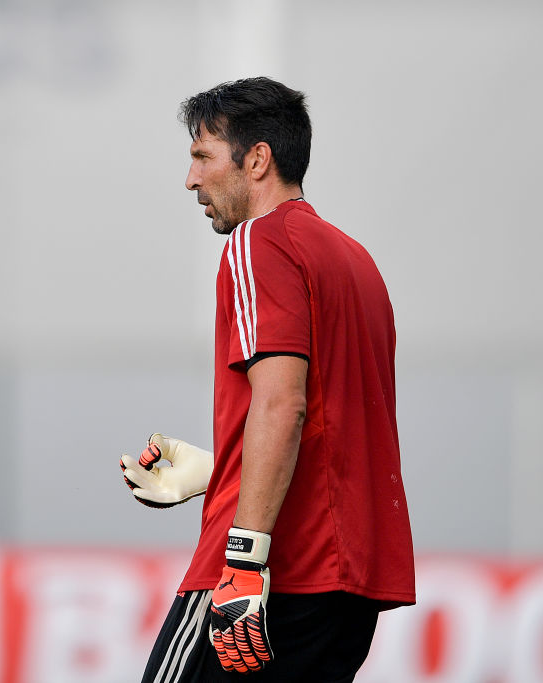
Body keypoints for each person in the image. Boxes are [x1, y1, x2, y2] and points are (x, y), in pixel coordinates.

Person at [121, 77, 415, 681]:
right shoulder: (354, 260)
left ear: (257, 159)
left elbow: (283, 405)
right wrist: (219, 470)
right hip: (347, 588)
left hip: (274, 572)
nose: (191, 179)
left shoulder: (259, 242)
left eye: (203, 157)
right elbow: (332, 425)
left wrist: (244, 559)